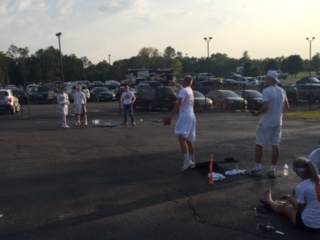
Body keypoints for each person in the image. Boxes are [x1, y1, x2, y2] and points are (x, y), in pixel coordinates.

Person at [247, 70, 290, 178]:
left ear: (271, 79)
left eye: (266, 77)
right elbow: (287, 108)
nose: (265, 79)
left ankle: (257, 168)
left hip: (266, 122)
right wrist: (278, 112)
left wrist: (257, 113)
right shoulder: (282, 91)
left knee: (260, 144)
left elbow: (266, 107)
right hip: (278, 122)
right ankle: (272, 170)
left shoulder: (266, 91)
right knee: (275, 145)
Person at [263, 157, 320, 231]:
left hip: (309, 224)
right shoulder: (317, 178)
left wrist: (288, 198)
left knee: (286, 207)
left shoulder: (301, 187)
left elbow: (300, 209)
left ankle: (269, 200)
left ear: (299, 172)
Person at [165, 75, 196, 172]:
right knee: (189, 140)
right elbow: (181, 87)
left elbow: (180, 103)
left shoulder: (183, 91)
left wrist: (170, 115)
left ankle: (187, 161)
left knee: (181, 137)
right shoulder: (189, 90)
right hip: (192, 116)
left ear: (184, 81)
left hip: (185, 116)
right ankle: (192, 160)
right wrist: (175, 84)